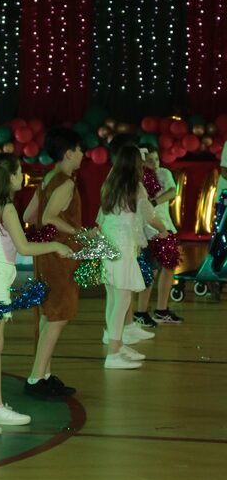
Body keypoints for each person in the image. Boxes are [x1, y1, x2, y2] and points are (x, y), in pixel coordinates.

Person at [0, 152, 73, 435]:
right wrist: (55, 246)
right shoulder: (7, 208)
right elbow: (24, 248)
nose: (22, 176)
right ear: (8, 177)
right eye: (18, 172)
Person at [23, 128, 84, 400]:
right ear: (69, 153)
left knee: (50, 315)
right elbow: (49, 217)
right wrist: (79, 232)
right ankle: (37, 378)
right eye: (80, 150)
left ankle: (43, 374)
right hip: (60, 256)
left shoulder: (48, 179)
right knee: (59, 315)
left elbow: (29, 215)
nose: (83, 155)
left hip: (46, 255)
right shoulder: (66, 183)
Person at [98, 146, 168, 369]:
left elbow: (101, 218)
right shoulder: (135, 187)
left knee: (113, 298)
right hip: (122, 248)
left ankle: (116, 344)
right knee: (122, 300)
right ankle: (113, 355)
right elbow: (149, 215)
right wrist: (163, 229)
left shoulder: (109, 185)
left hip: (109, 246)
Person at [134, 147, 183, 325]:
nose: (154, 163)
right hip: (148, 230)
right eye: (149, 160)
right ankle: (141, 312)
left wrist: (154, 202)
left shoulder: (164, 173)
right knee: (151, 270)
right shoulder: (137, 178)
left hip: (165, 227)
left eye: (156, 159)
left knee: (169, 267)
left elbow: (172, 191)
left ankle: (161, 310)